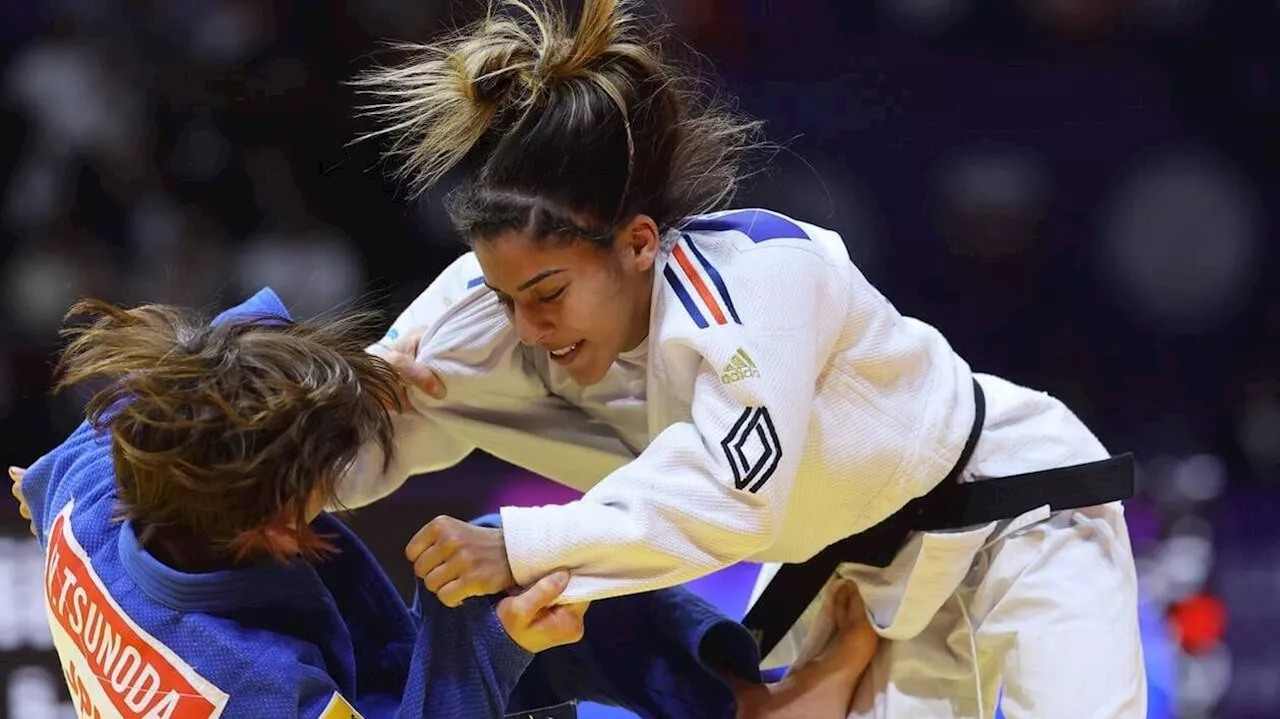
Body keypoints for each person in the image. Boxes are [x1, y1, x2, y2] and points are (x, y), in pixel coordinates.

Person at [342, 1, 1147, 717]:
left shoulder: (757, 274)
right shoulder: (484, 310)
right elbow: (339, 436)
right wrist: (237, 476)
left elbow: (735, 495)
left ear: (637, 242)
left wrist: (524, 545)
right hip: (854, 579)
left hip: (1012, 510)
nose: (527, 322)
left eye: (548, 290)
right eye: (503, 292)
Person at [8, 287, 878, 719]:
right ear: (273, 525)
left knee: (506, 552)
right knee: (501, 583)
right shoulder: (252, 684)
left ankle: (744, 697)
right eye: (328, 478)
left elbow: (217, 352)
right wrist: (497, 638)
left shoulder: (108, 462)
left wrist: (361, 375)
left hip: (329, 659)